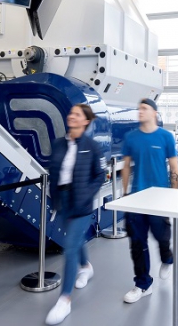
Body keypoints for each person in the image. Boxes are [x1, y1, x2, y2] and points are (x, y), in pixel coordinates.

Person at [45, 104, 106, 325]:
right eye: (71, 113)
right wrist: (54, 197)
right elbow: (54, 172)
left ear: (86, 121)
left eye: (77, 114)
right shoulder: (58, 144)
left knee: (69, 247)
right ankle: (86, 267)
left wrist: (87, 194)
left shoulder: (92, 147)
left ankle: (65, 299)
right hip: (63, 201)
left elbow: (100, 175)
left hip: (82, 203)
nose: (71, 116)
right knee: (76, 240)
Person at [120, 98, 178, 304]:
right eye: (139, 109)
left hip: (160, 197)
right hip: (137, 197)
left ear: (154, 112)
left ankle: (167, 258)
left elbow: (174, 167)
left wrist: (174, 194)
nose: (140, 111)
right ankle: (143, 284)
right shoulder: (131, 137)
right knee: (137, 242)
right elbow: (126, 166)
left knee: (162, 236)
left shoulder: (166, 137)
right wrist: (125, 193)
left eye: (144, 108)